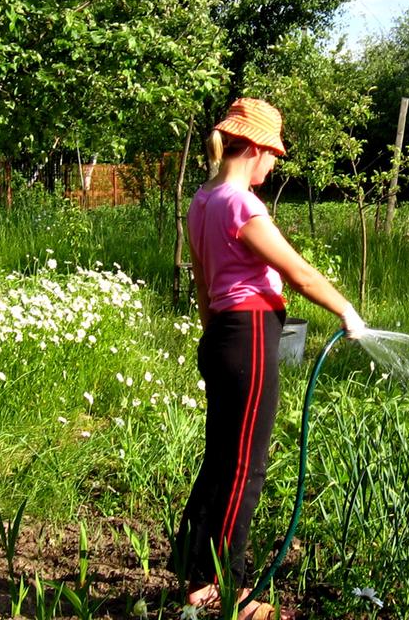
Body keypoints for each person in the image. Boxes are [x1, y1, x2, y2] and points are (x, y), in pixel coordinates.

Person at [171, 97, 366, 620]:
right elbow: (300, 274)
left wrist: (212, 340)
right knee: (246, 471)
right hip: (250, 339)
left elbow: (201, 280)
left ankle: (196, 577)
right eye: (273, 154)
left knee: (221, 461)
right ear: (253, 147)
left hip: (221, 338)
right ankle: (230, 592)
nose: (274, 163)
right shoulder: (241, 205)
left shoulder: (201, 200)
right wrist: (348, 312)